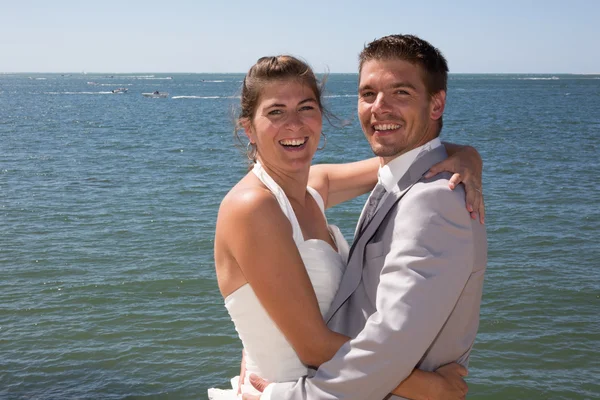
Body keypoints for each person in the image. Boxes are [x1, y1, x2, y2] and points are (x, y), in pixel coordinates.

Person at [208, 48, 484, 400]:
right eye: (276, 112)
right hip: (288, 390)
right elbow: (313, 346)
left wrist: (468, 156)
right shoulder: (253, 207)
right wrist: (430, 388)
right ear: (248, 128)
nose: (294, 124)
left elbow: (409, 159)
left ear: (321, 116)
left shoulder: (311, 188)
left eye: (306, 108)